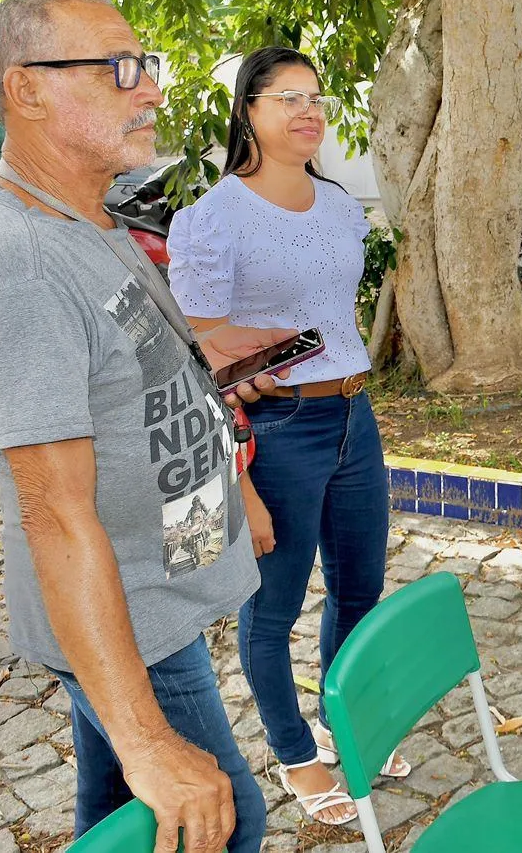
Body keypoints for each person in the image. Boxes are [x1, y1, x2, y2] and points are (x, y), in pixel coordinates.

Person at [0, 0, 292, 853]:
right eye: (121, 70)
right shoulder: (21, 269)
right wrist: (146, 743)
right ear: (28, 89)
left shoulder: (84, 216)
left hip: (151, 587)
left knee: (116, 829)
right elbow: (53, 513)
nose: (153, 91)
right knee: (219, 819)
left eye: (148, 67)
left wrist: (229, 487)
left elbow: (135, 373)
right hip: (124, 614)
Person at [167, 47, 405, 827]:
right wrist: (236, 478)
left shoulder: (339, 205)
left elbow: (336, 314)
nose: (308, 111)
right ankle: (296, 753)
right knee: (273, 610)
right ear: (248, 113)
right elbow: (198, 349)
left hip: (352, 415)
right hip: (275, 426)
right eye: (286, 97)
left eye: (316, 96)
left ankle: (350, 718)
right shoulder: (213, 219)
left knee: (361, 589)